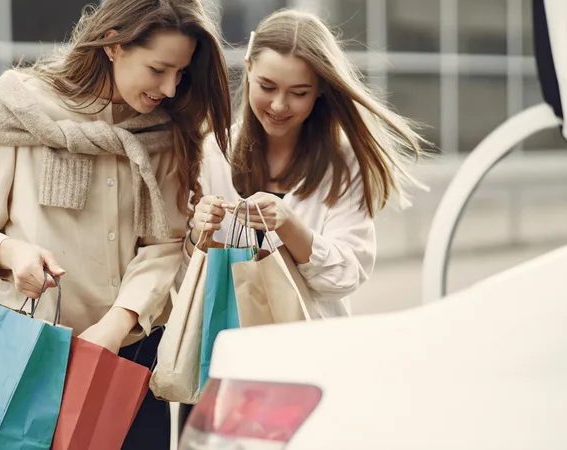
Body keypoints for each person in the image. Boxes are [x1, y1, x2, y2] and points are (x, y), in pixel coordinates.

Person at [0, 0, 232, 448]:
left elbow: (165, 245)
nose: (170, 89)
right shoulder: (21, 107)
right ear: (114, 45)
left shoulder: (166, 131)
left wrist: (115, 326)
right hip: (31, 354)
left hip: (131, 359)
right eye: (158, 69)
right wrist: (11, 253)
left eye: (181, 73)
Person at [178, 8, 428, 430]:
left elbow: (346, 275)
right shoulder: (213, 151)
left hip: (307, 361)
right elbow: (186, 274)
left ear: (320, 94)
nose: (279, 104)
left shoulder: (342, 163)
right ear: (250, 67)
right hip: (220, 357)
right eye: (267, 86)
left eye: (298, 92)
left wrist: (291, 226)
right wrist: (196, 236)